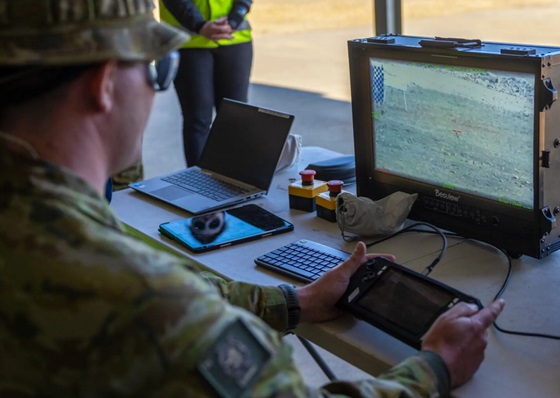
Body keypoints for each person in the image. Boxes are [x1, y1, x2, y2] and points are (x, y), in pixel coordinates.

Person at [0, 1, 504, 396]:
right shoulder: (139, 301)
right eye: (158, 67)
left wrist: (293, 301)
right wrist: (435, 367)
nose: (156, 90)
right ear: (104, 84)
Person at [160, 0, 254, 167]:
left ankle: (236, 183)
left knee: (236, 118)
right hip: (188, 42)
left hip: (235, 38)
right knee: (198, 121)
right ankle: (199, 185)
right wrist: (199, 24)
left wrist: (235, 17)